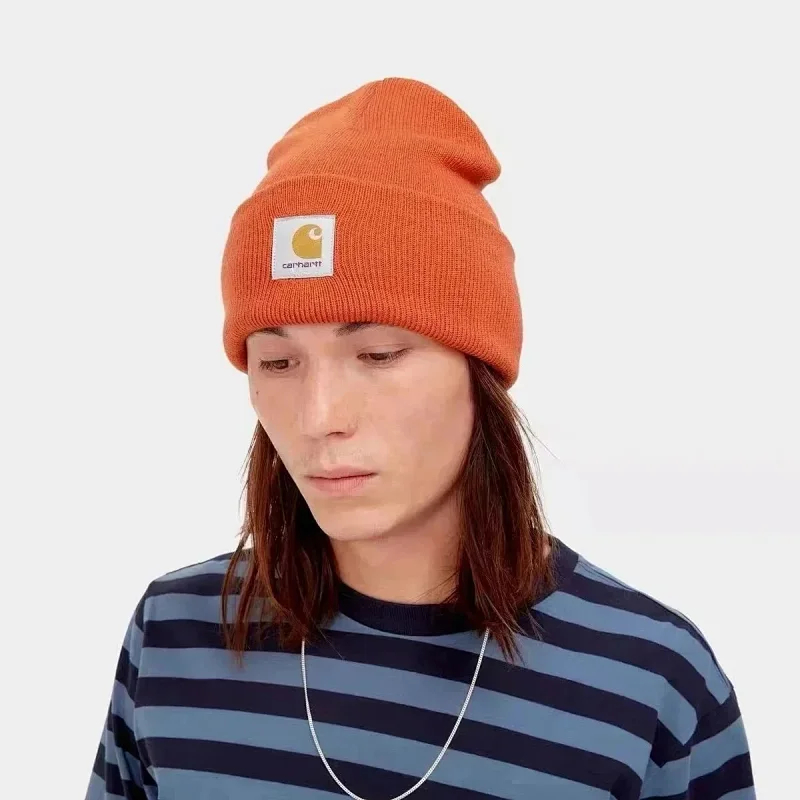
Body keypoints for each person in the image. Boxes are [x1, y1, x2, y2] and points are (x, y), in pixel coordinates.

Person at [86, 77, 756, 800]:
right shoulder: (173, 638)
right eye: (277, 362)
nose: (319, 416)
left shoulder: (650, 681)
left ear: (480, 371)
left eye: (378, 355)